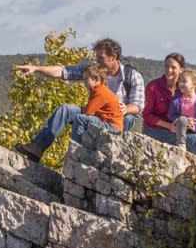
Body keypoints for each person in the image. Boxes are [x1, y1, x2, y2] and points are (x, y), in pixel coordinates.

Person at [12, 38, 145, 158]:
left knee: (126, 118)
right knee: (66, 110)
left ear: (113, 57)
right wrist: (36, 69)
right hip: (95, 112)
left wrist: (126, 108)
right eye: (97, 58)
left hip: (117, 117)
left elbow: (138, 105)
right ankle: (37, 147)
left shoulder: (132, 75)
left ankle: (111, 151)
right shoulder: (93, 70)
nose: (97, 61)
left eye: (101, 58)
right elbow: (64, 72)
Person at [14, 64, 122, 161]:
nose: (84, 82)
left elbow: (87, 113)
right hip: (100, 118)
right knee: (65, 109)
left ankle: (74, 154)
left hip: (110, 125)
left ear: (95, 79)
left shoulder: (100, 92)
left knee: (80, 118)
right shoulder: (96, 89)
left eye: (86, 79)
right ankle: (37, 146)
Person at [133, 53, 185, 138]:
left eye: (173, 67)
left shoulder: (184, 89)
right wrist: (169, 126)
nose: (169, 70)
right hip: (154, 130)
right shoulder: (153, 87)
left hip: (178, 129)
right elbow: (147, 115)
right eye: (167, 66)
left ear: (181, 69)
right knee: (191, 140)